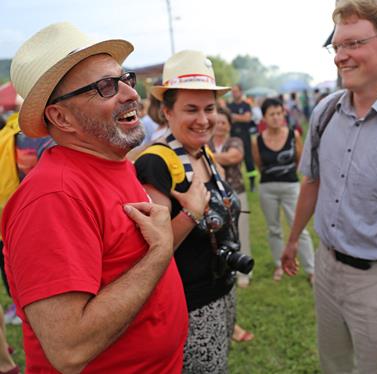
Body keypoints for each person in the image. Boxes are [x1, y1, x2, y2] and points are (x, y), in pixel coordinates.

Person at [1, 22, 187, 373]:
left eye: (124, 79)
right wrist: (160, 251)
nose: (131, 94)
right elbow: (69, 348)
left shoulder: (110, 162)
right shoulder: (53, 197)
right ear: (61, 117)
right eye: (104, 87)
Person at [281, 0, 377, 372]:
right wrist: (292, 240)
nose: (340, 57)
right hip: (327, 270)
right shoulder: (325, 112)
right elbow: (313, 182)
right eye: (337, 45)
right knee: (333, 366)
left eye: (354, 44)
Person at [135, 50, 247, 373]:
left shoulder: (203, 153)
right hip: (188, 306)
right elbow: (152, 254)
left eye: (210, 109)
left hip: (221, 294)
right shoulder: (156, 163)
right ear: (166, 111)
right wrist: (191, 215)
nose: (203, 119)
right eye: (191, 109)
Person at [252, 98, 314, 282]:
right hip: (267, 187)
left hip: (291, 186)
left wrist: (288, 175)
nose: (277, 117)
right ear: (264, 117)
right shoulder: (257, 141)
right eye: (272, 114)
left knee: (299, 228)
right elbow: (259, 164)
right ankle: (279, 265)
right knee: (274, 229)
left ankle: (311, 270)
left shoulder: (293, 135)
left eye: (279, 113)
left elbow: (300, 161)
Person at [209, 107, 255, 343]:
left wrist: (206, 155)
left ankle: (245, 272)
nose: (221, 126)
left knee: (242, 234)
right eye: (218, 122)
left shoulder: (235, 140)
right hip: (214, 200)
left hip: (236, 194)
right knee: (220, 238)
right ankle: (228, 269)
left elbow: (235, 157)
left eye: (224, 122)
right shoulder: (207, 141)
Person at [228, 84, 258, 192]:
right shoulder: (229, 106)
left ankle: (252, 183)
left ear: (241, 92)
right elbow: (228, 119)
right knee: (234, 161)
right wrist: (240, 117)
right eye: (233, 91)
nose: (234, 93)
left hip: (245, 136)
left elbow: (247, 118)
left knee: (248, 160)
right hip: (233, 137)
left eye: (236, 91)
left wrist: (235, 117)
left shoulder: (246, 105)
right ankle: (235, 184)